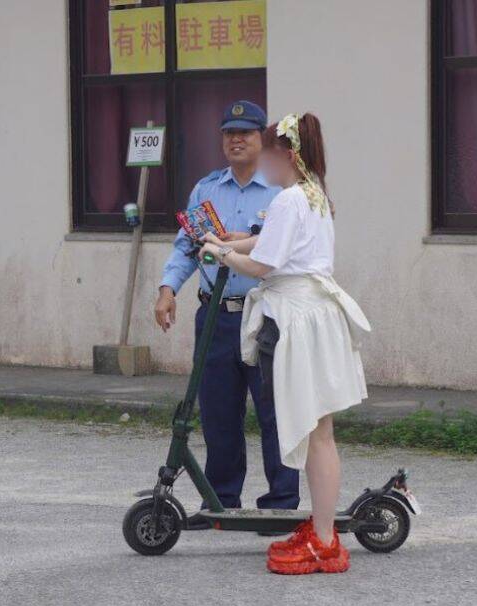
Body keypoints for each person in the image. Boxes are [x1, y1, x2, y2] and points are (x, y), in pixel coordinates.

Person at [200, 112, 371, 574]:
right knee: (320, 432)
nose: (263, 167)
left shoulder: (287, 200)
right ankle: (321, 531)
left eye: (269, 157)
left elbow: (265, 265)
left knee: (315, 434)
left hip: (298, 319)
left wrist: (221, 251)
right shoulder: (313, 192)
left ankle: (323, 540)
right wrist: (240, 240)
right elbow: (276, 245)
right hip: (317, 316)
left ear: (285, 155)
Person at [154, 100, 299, 526]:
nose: (236, 140)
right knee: (218, 411)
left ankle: (281, 503)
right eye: (229, 133)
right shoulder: (206, 189)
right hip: (216, 315)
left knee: (274, 410)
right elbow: (186, 246)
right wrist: (167, 291)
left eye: (246, 133)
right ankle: (221, 500)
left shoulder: (282, 192)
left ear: (262, 140)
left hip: (267, 314)